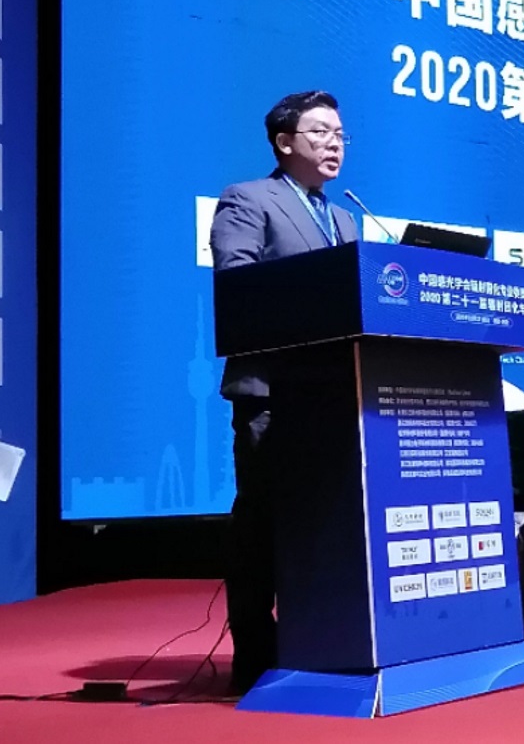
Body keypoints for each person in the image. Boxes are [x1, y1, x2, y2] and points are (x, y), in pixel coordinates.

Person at [209, 90, 359, 696]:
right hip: (273, 391)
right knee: (263, 522)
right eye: (321, 132)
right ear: (284, 141)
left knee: (327, 521)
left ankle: (321, 641)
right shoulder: (249, 199)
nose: (334, 143)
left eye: (341, 134)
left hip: (336, 395)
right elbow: (238, 281)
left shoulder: (345, 219)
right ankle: (254, 655)